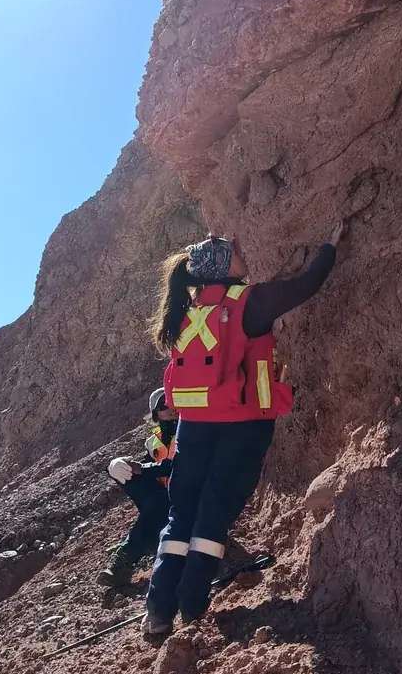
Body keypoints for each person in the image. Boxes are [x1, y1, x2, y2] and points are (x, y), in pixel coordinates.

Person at [141, 227, 342, 642]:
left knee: (182, 513)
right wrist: (330, 246)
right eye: (233, 250)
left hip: (194, 425)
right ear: (221, 266)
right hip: (243, 423)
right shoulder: (249, 302)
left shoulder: (186, 313)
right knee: (215, 509)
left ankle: (159, 610)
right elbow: (308, 285)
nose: (241, 250)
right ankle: (193, 605)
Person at [97, 388, 178, 587]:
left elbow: (178, 466)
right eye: (164, 406)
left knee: (157, 503)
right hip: (164, 501)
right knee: (125, 472)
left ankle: (125, 558)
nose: (171, 408)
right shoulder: (153, 442)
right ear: (155, 415)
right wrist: (118, 467)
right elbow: (146, 470)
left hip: (188, 496)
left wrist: (142, 468)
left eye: (173, 401)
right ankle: (136, 548)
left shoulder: (191, 429)